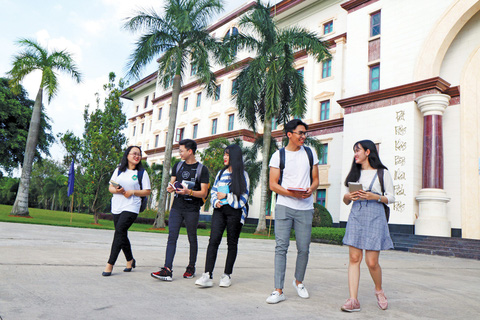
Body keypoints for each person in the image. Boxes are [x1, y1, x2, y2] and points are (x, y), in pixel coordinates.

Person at [266, 119, 319, 304]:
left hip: (305, 207)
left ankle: (298, 281)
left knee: (303, 248)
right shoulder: (278, 155)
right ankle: (278, 290)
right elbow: (273, 184)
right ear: (290, 134)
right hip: (284, 206)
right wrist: (292, 194)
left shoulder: (310, 153)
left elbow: (315, 180)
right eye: (300, 133)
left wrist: (311, 189)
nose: (304, 136)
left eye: (305, 133)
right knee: (281, 248)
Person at [340, 140, 394, 312]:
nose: (355, 154)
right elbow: (346, 201)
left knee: (372, 262)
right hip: (356, 216)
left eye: (358, 151)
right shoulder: (354, 175)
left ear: (368, 152)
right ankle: (353, 300)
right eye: (354, 151)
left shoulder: (382, 173)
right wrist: (349, 196)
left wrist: (374, 196)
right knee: (354, 259)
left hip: (375, 217)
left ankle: (378, 290)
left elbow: (391, 198)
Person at [151, 139, 209, 281]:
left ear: (190, 151)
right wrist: (170, 188)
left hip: (192, 209)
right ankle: (167, 269)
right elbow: (171, 183)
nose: (180, 153)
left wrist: (188, 192)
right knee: (172, 237)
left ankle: (191, 267)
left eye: (181, 150)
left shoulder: (202, 169)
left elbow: (204, 193)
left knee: (191, 238)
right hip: (177, 208)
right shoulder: (178, 166)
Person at [195, 144, 250, 288]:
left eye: (228, 155)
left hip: (235, 211)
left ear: (235, 157)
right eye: (224, 155)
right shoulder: (221, 173)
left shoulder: (243, 175)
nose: (225, 157)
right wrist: (216, 201)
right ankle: (207, 275)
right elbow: (213, 190)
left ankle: (227, 275)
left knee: (232, 243)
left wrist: (227, 196)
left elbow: (244, 197)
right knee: (213, 241)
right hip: (219, 210)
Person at [103, 146, 151, 276]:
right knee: (122, 234)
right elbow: (110, 187)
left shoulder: (141, 172)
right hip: (117, 206)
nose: (137, 156)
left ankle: (110, 264)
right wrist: (117, 190)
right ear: (127, 155)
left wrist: (133, 192)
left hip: (132, 206)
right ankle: (130, 260)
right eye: (134, 154)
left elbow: (147, 191)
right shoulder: (118, 170)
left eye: (139, 154)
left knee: (119, 232)